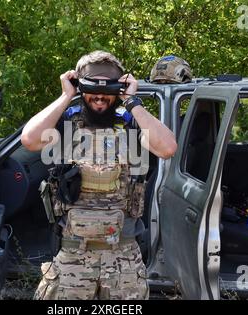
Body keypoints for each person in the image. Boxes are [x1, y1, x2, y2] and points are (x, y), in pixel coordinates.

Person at [21, 50, 177, 300]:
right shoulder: (67, 121)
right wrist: (65, 95)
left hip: (123, 256)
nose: (101, 98)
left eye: (108, 91)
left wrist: (133, 101)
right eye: (93, 90)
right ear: (81, 87)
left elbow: (168, 147)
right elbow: (29, 139)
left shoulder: (130, 122)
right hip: (74, 253)